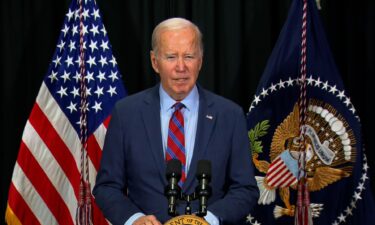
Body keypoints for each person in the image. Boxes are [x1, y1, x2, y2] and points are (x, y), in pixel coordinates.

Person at [93, 17, 259, 225]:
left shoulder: (230, 115)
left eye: (189, 56)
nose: (181, 67)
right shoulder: (126, 114)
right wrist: (134, 219)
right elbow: (107, 187)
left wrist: (209, 220)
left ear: (201, 60)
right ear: (155, 62)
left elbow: (245, 189)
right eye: (171, 57)